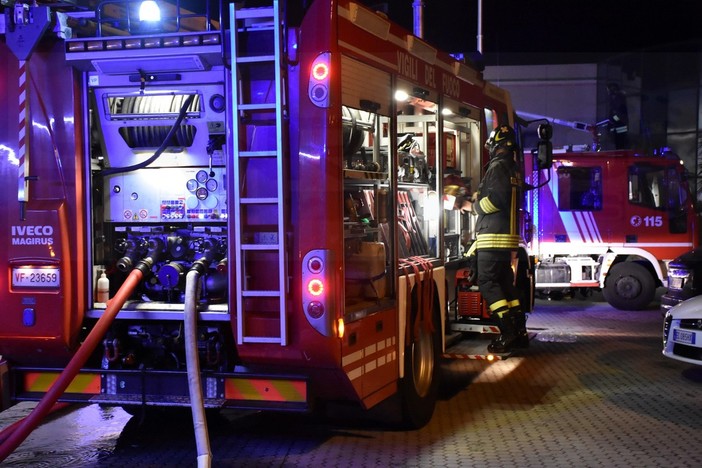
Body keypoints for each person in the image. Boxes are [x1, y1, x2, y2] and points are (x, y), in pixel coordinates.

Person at [466, 124, 528, 353]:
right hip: (506, 238)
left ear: (496, 145)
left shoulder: (498, 166)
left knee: (488, 283)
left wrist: (472, 206)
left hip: (492, 237)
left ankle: (508, 333)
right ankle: (520, 333)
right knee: (505, 285)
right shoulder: (514, 169)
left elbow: (495, 200)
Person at [607, 83, 630, 149]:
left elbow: (617, 115)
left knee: (620, 145)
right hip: (618, 127)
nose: (608, 93)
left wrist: (612, 120)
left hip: (619, 127)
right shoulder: (617, 99)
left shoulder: (618, 99)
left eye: (609, 91)